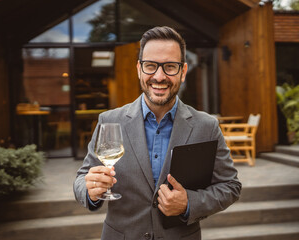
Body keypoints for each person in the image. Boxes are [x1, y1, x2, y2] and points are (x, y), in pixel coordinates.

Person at [74, 26, 241, 240]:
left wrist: (189, 203)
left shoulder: (206, 126)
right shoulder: (109, 120)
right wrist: (90, 189)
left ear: (183, 71)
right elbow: (82, 178)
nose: (159, 76)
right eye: (150, 66)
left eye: (170, 67)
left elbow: (230, 186)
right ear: (139, 69)